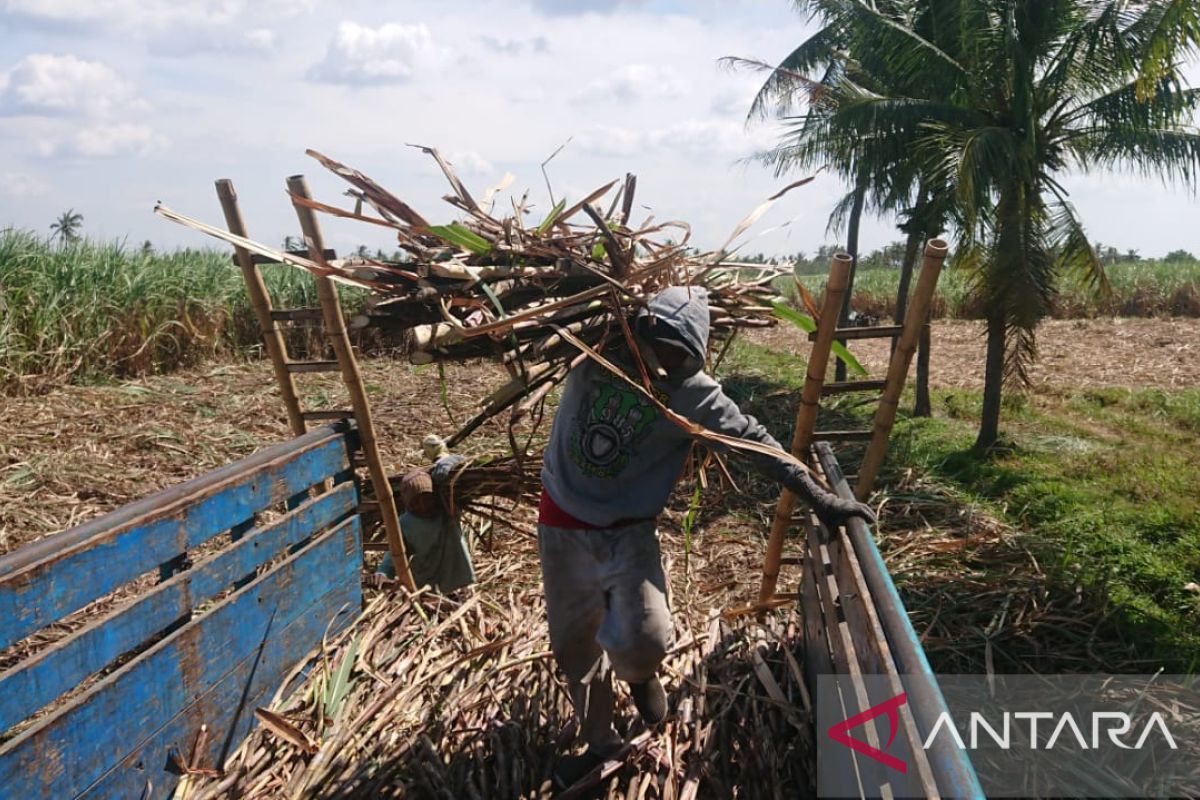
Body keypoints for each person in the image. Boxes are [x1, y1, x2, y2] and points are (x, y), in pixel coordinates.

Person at [539, 285, 875, 786]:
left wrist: (818, 497)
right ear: (643, 329)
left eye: (680, 352)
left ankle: (639, 674)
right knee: (575, 645)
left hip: (628, 531)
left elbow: (754, 441)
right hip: (562, 520)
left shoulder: (693, 393)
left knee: (647, 635)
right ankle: (601, 744)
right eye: (661, 342)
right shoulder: (596, 348)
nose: (665, 359)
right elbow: (541, 320)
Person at [376, 450, 475, 595]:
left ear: (435, 496)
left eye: (427, 499)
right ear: (407, 505)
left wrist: (449, 461)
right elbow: (394, 553)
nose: (423, 506)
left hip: (457, 583)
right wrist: (383, 572)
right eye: (416, 502)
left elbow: (467, 461)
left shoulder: (448, 510)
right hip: (425, 586)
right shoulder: (404, 523)